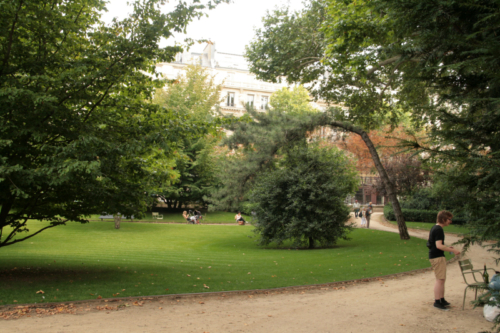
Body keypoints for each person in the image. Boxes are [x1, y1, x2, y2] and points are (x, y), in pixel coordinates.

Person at [428, 210, 461, 310]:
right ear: (443, 219)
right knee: (440, 279)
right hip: (437, 256)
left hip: (437, 255)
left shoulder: (435, 228)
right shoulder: (438, 229)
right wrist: (454, 250)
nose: (450, 221)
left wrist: (447, 248)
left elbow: (436, 244)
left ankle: (442, 299)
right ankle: (437, 301)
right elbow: (438, 246)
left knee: (442, 279)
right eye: (449, 219)